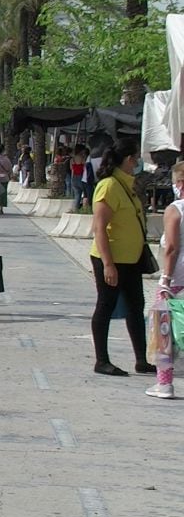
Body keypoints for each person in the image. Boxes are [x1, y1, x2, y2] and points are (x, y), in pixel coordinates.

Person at [89, 137, 157, 377]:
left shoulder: (127, 184)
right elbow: (99, 228)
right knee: (106, 306)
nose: (137, 162)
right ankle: (102, 360)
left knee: (136, 307)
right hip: (111, 259)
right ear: (129, 159)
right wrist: (108, 264)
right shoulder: (108, 186)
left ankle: (141, 359)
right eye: (136, 157)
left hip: (132, 258)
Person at [151, 162, 184, 399]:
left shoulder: (176, 209)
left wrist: (165, 279)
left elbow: (171, 248)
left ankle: (164, 384)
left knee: (164, 331)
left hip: (176, 279)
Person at [69, 145, 90, 211]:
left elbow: (71, 169)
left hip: (74, 177)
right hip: (81, 177)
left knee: (77, 195)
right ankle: (85, 209)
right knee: (86, 194)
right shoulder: (82, 158)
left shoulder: (72, 159)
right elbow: (85, 167)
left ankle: (75, 208)